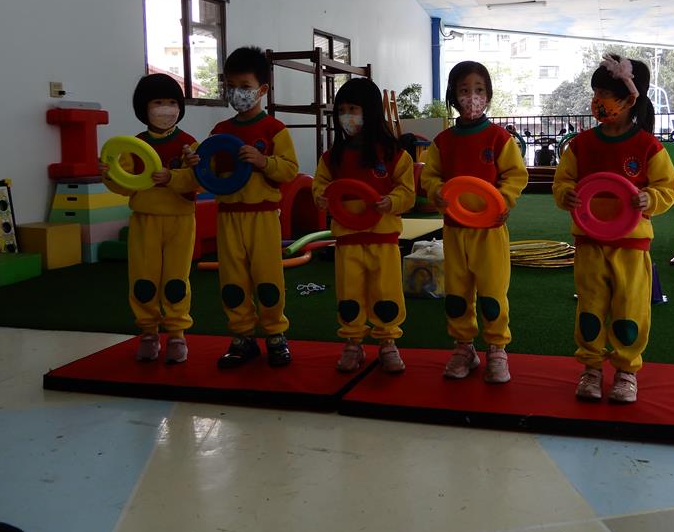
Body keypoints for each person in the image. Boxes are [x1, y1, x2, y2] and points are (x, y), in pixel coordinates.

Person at [552, 54, 674, 403]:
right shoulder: (581, 145)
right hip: (589, 241)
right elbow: (563, 181)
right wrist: (566, 194)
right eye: (596, 94)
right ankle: (591, 368)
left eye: (606, 94)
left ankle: (626, 371)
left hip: (631, 245)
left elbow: (667, 187)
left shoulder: (648, 146)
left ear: (629, 99)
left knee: (629, 308)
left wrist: (649, 198)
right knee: (590, 306)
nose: (598, 101)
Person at [420, 61, 529, 383]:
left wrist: (503, 199)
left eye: (479, 90)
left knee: (493, 292)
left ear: (488, 95)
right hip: (455, 230)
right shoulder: (443, 141)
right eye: (465, 90)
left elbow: (515, 175)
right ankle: (463, 347)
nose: (472, 97)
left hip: (490, 231)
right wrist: (436, 192)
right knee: (457, 292)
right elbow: (430, 175)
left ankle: (496, 348)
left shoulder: (499, 138)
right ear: (453, 95)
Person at [312, 78, 415, 373]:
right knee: (349, 294)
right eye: (342, 111)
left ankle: (388, 342)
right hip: (348, 240)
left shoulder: (394, 154)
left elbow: (407, 191)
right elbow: (320, 186)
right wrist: (321, 197)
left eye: (353, 109)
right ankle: (353, 342)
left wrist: (391, 201)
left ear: (369, 112)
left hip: (383, 238)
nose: (347, 116)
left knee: (386, 293)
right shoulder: (332, 158)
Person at [206, 46, 299, 369]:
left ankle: (275, 335)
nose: (237, 93)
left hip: (263, 216)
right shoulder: (220, 131)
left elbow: (289, 170)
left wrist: (263, 161)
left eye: (244, 86)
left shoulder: (275, 129)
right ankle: (242, 337)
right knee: (232, 280)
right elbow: (207, 172)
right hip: (229, 217)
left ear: (262, 89)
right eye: (231, 86)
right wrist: (195, 162)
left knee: (268, 278)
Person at [100, 73, 198, 364]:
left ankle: (177, 334)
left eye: (172, 102)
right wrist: (109, 175)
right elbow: (124, 185)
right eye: (158, 103)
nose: (166, 109)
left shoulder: (189, 145)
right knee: (143, 278)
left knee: (176, 279)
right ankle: (148, 332)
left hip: (180, 219)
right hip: (145, 219)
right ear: (144, 107)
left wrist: (173, 177)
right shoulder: (134, 146)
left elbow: (199, 181)